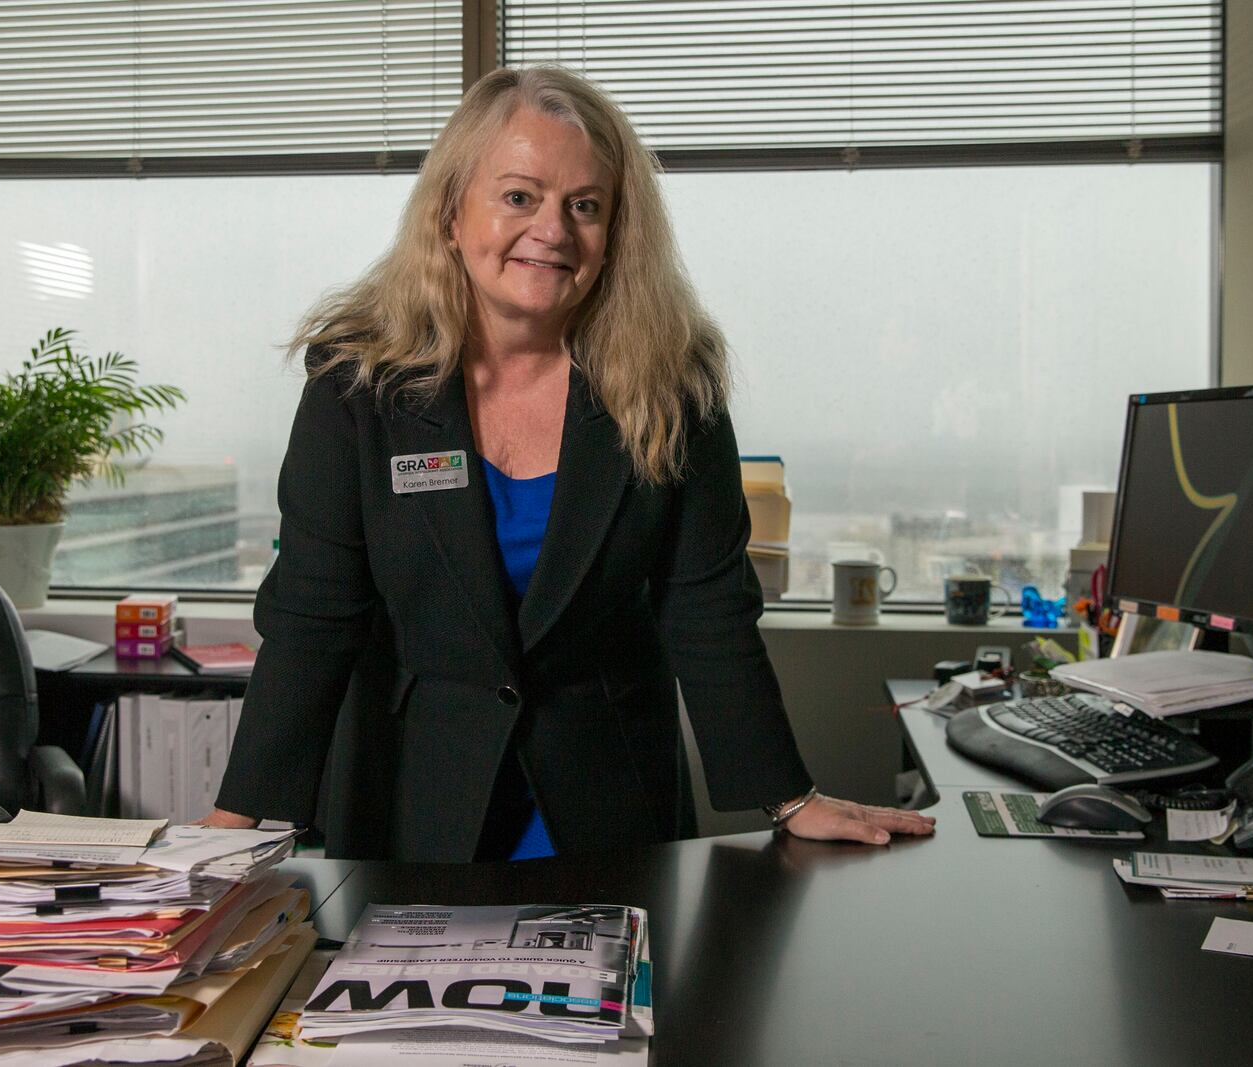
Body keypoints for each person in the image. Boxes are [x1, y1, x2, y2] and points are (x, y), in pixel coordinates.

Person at [205, 66, 936, 861]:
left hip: (607, 802)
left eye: (584, 205)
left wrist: (789, 796)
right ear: (452, 213)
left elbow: (709, 608)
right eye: (519, 195)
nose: (553, 230)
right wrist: (235, 826)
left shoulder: (671, 384)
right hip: (411, 799)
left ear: (615, 232)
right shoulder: (358, 383)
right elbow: (315, 615)